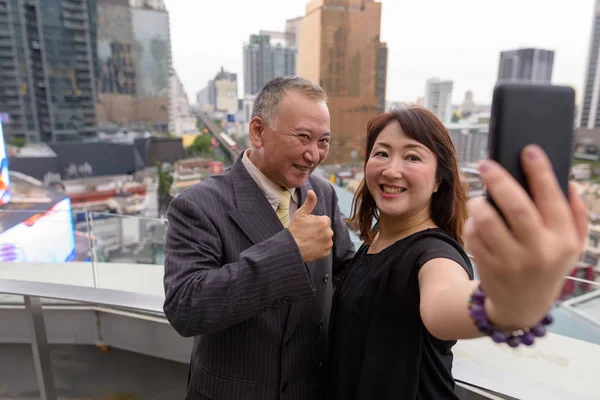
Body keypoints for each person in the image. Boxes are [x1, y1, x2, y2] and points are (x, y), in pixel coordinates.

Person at [328, 106, 588, 399]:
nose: (391, 169)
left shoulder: (433, 254)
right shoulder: (374, 243)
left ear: (439, 179)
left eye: (412, 157)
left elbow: (442, 303)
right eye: (382, 153)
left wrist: (506, 306)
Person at [163, 76, 356, 400]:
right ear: (257, 131)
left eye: (323, 141)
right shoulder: (198, 204)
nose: (314, 155)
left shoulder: (322, 193)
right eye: (303, 137)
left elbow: (345, 272)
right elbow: (186, 307)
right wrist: (289, 253)